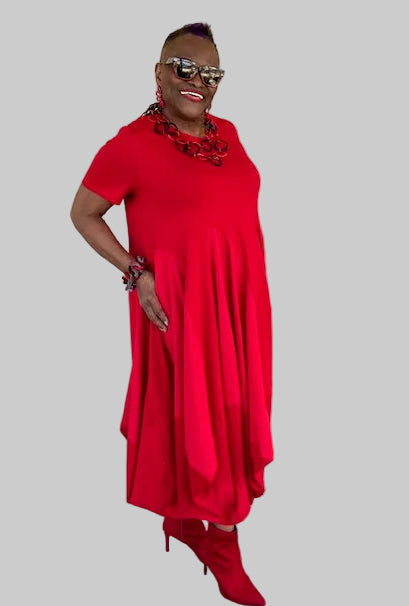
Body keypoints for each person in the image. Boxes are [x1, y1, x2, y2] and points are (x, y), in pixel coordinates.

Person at [70, 22, 273, 606]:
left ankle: (185, 519)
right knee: (207, 412)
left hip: (240, 305)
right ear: (159, 71)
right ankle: (223, 545)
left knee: (233, 410)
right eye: (184, 67)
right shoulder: (131, 144)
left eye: (210, 73)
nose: (197, 81)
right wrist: (136, 273)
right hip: (181, 309)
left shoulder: (228, 134)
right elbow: (84, 213)